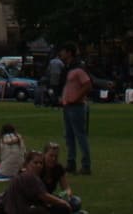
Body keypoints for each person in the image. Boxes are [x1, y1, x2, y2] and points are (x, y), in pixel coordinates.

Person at [58, 44, 93, 176]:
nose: (61, 53)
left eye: (63, 51)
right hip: (67, 106)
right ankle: (71, 163)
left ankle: (86, 165)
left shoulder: (78, 69)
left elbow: (87, 85)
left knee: (80, 135)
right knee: (69, 136)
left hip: (76, 106)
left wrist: (76, 98)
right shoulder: (68, 68)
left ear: (69, 53)